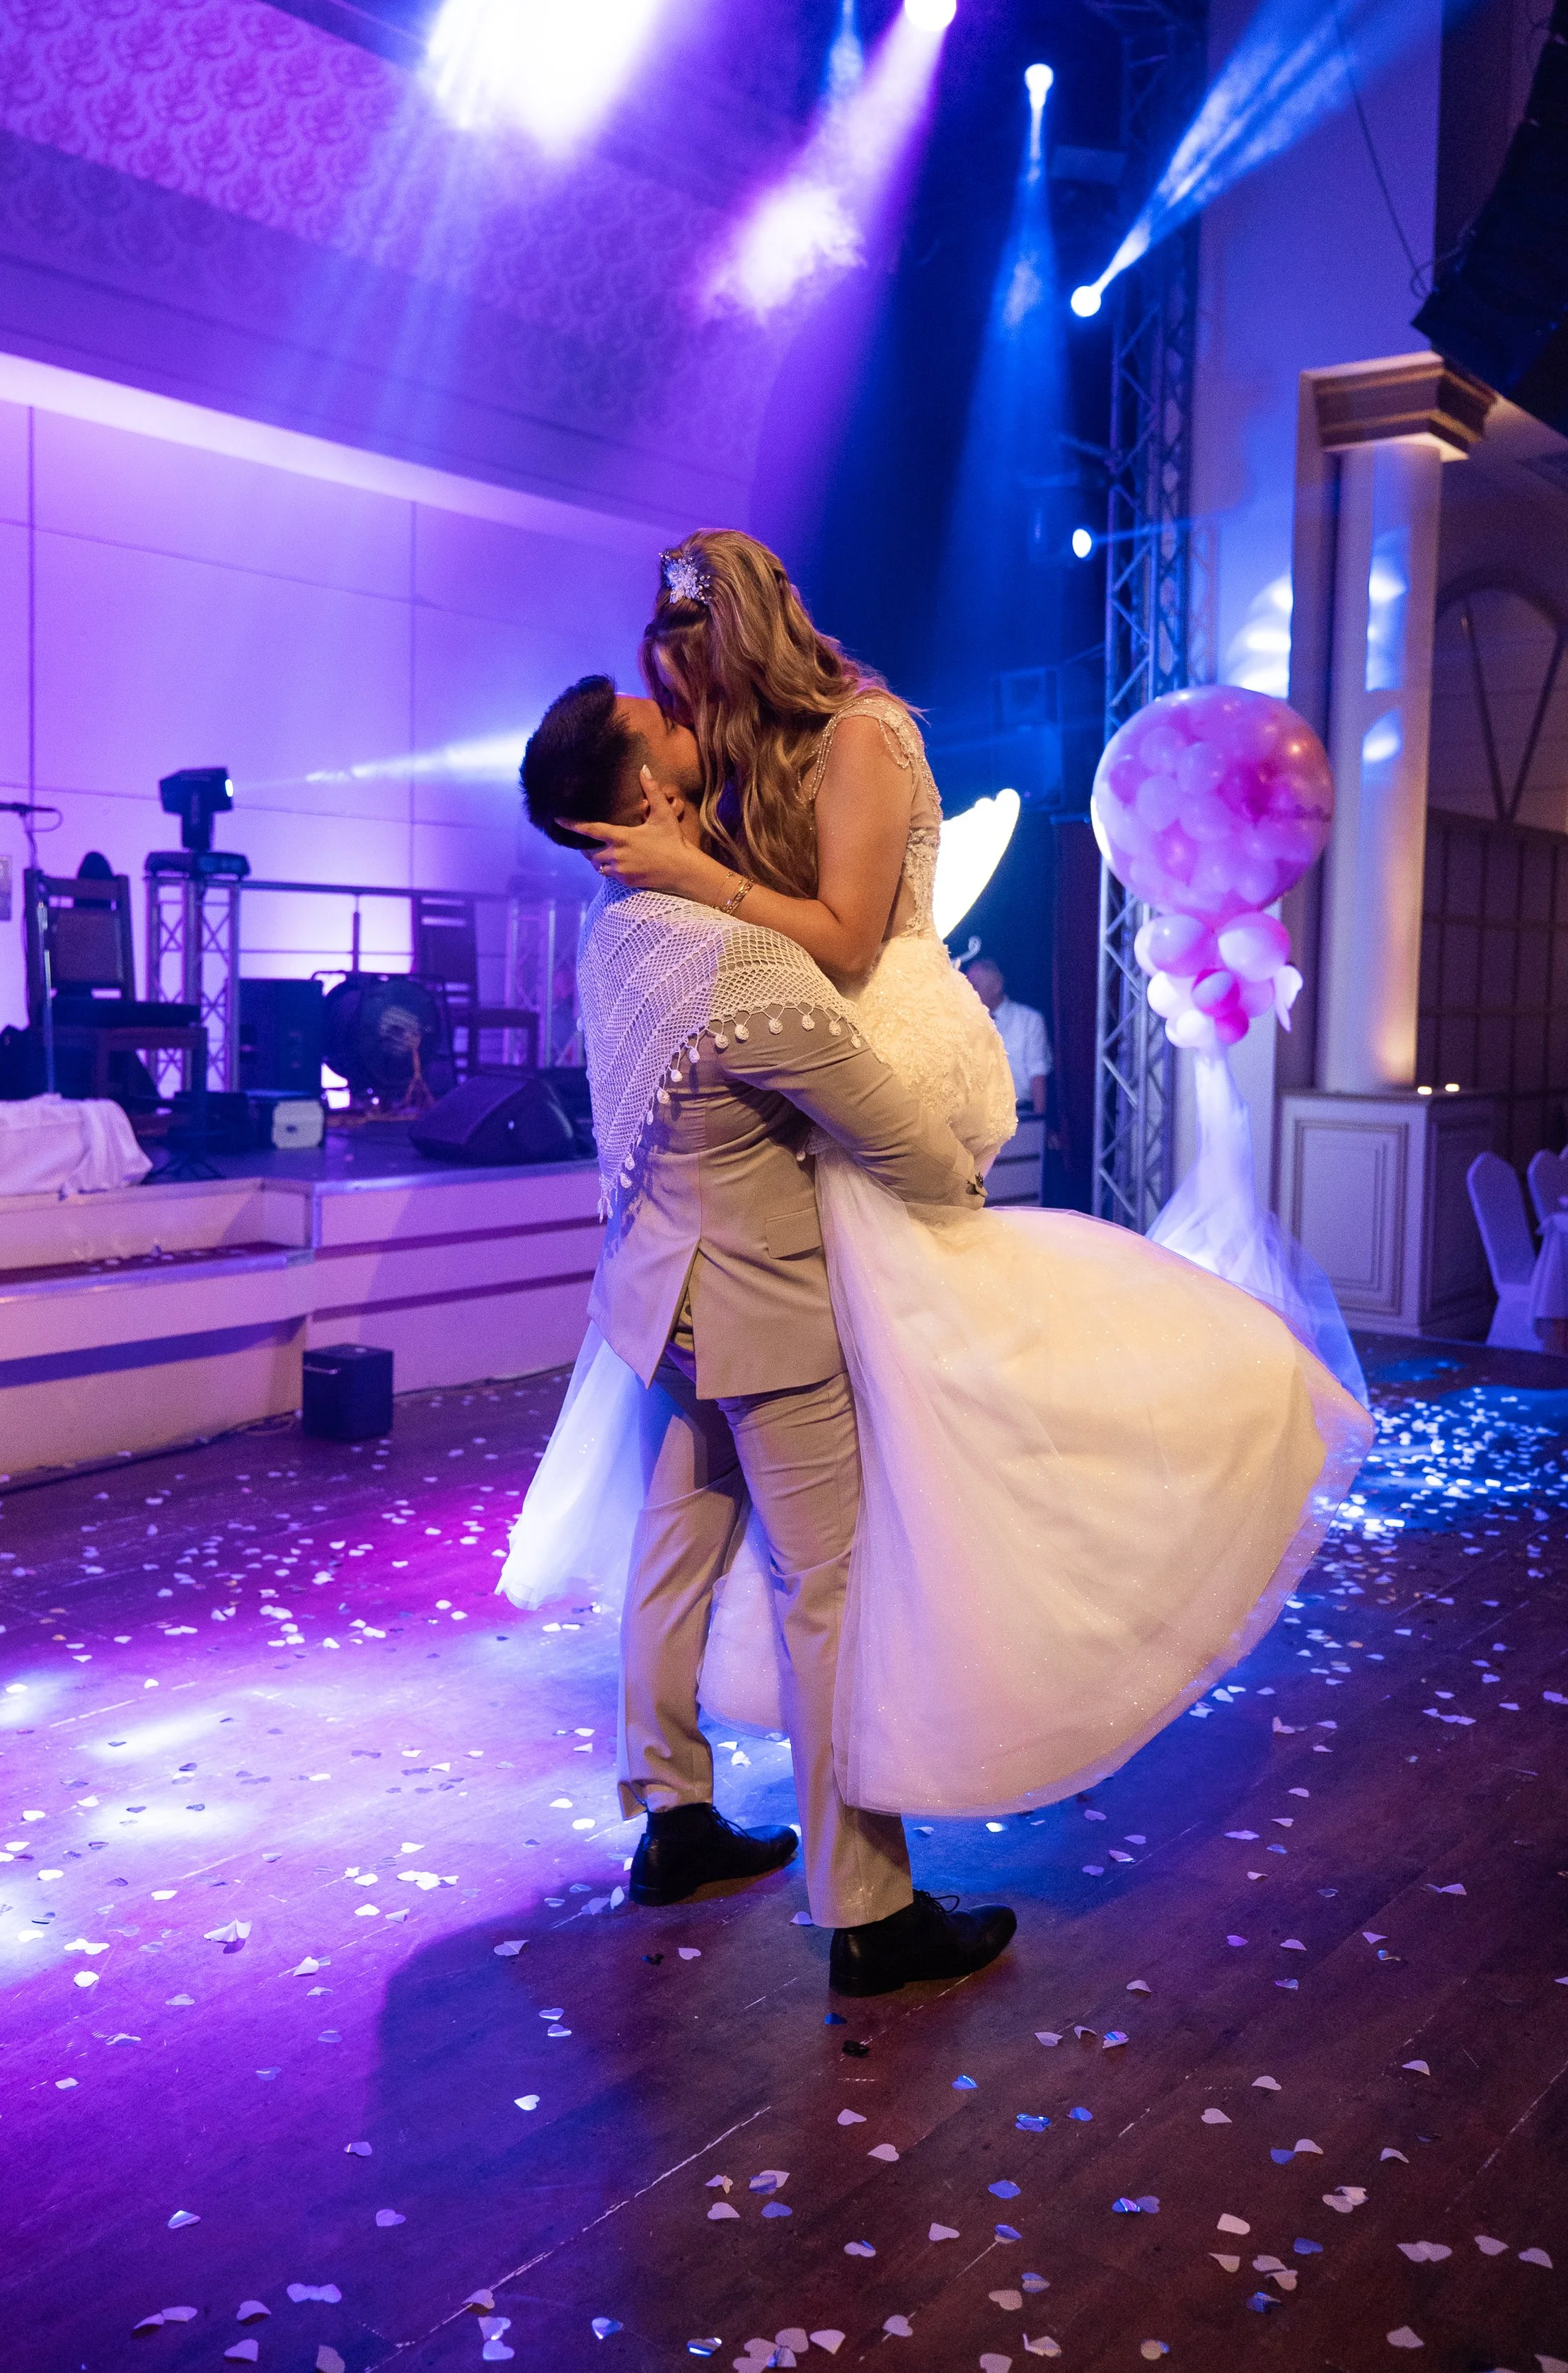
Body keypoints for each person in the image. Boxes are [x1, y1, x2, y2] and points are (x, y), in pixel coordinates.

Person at [514, 532, 1372, 1828]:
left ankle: (717, 1807)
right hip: (785, 1142)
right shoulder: (695, 868)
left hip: (848, 1072)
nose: (686, 713)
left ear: (731, 648)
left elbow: (851, 937)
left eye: (685, 681)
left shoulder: (851, 742)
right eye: (666, 702)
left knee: (824, 1461)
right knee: (802, 1523)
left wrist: (701, 872)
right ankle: (834, 1861)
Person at [512, 675, 1017, 1997]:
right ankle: (869, 1911)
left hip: (660, 1300)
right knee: (829, 1593)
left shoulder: (614, 929)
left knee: (672, 1550)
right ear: (651, 795)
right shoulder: (734, 956)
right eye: (661, 720)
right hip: (763, 1315)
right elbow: (891, 1129)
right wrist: (963, 1187)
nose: (687, 712)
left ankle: (673, 1819)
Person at [963, 952, 1049, 1116]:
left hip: (1019, 1116)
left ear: (997, 986)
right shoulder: (963, 1024)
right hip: (976, 1120)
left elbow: (1038, 1073)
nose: (968, 992)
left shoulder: (1029, 1020)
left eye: (974, 986)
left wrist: (1039, 1124)